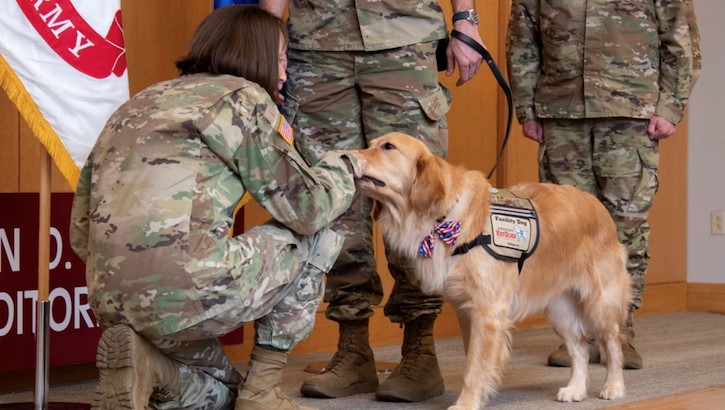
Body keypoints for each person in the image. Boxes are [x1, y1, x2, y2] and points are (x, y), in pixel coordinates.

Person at [70, 6, 365, 410]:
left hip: (110, 299)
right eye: (280, 59)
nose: (284, 73)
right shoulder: (243, 99)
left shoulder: (138, 103)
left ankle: (150, 366)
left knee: (223, 392)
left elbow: (81, 232)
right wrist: (347, 165)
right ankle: (263, 392)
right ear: (256, 54)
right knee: (318, 231)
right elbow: (307, 208)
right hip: (187, 290)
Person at [258, 0, 485, 403]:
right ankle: (353, 350)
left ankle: (420, 349)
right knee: (333, 200)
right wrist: (265, 35)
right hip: (316, 45)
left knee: (420, 198)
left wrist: (466, 18)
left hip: (404, 38)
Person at [506, 0, 701, 370]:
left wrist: (670, 105)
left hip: (631, 114)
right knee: (563, 235)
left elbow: (680, 37)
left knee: (626, 229)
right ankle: (573, 335)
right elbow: (522, 38)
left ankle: (619, 331)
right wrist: (527, 108)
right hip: (561, 115)